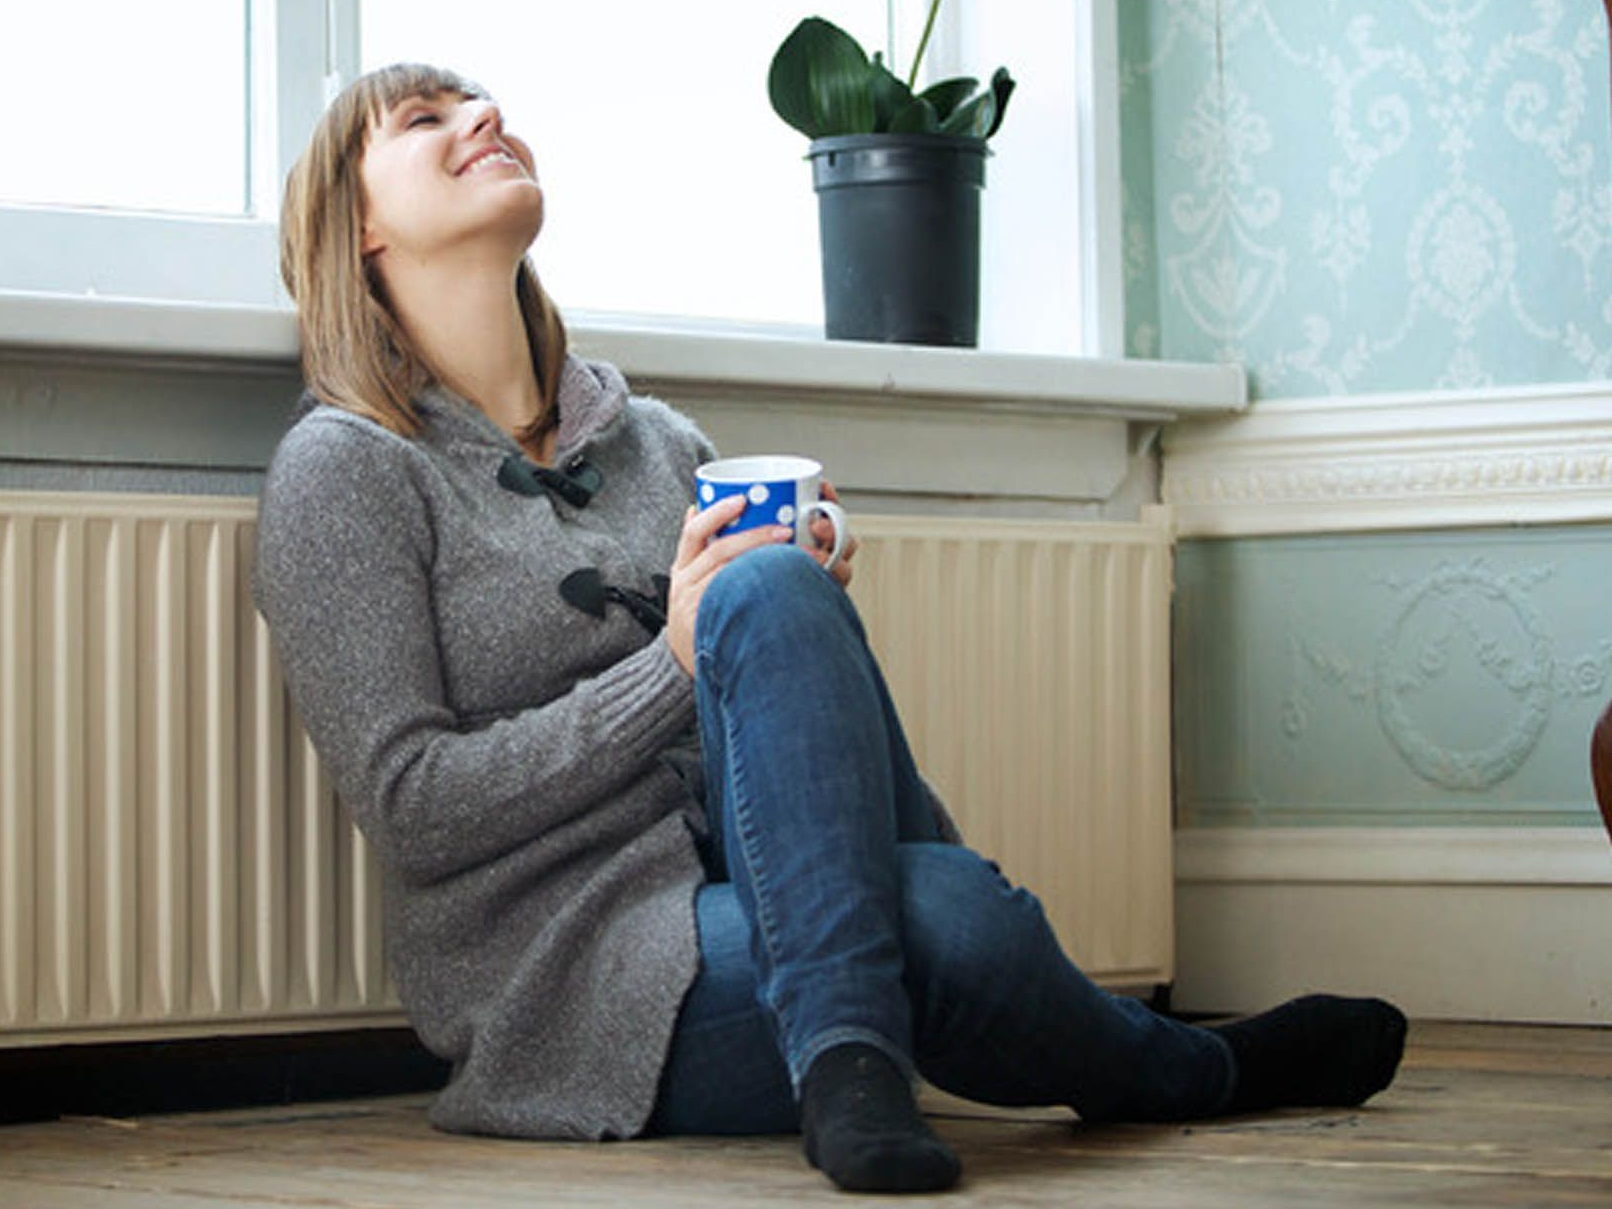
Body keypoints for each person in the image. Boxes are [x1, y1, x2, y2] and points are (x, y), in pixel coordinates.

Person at [251, 62, 1408, 1196]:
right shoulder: (345, 469)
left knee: (772, 598)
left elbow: (761, 710)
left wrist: (798, 605)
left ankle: (854, 1066)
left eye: (484, 101)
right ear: (355, 225)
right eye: (425, 118)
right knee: (956, 920)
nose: (487, 116)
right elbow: (413, 805)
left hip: (783, 893)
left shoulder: (659, 444)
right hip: (583, 979)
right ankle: (1176, 1068)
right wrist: (671, 663)